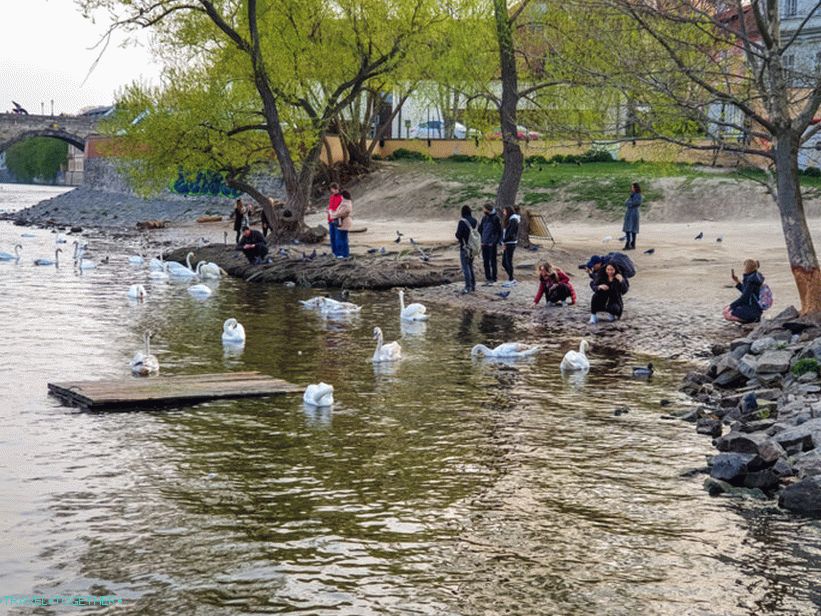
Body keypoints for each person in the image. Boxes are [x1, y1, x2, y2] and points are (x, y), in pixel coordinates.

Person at [723, 259, 764, 323]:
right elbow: (746, 292)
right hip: (756, 308)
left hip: (753, 309)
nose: (743, 269)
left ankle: (750, 320)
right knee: (729, 309)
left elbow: (744, 298)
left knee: (727, 313)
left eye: (744, 267)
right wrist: (737, 281)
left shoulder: (751, 280)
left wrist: (730, 306)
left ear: (747, 268)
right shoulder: (754, 277)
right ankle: (752, 319)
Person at [477, 203, 502, 285]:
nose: (483, 211)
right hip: (484, 243)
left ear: (487, 209)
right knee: (485, 261)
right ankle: (488, 278)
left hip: (491, 244)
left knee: (493, 261)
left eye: (484, 209)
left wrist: (494, 242)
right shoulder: (484, 218)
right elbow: (480, 230)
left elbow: (499, 232)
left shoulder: (496, 218)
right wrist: (481, 241)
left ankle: (494, 278)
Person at [455, 205, 478, 294]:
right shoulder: (475, 221)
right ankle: (473, 285)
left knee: (466, 267)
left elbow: (458, 235)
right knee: (470, 266)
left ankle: (467, 286)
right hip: (473, 247)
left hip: (464, 247)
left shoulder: (462, 221)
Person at [500, 206, 520, 286]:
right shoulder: (510, 220)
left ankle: (511, 279)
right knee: (504, 262)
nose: (503, 213)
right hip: (507, 242)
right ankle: (511, 278)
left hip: (510, 243)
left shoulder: (513, 220)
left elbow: (511, 233)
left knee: (508, 261)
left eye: (504, 211)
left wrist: (504, 241)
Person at [331, 190, 353, 259]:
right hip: (344, 222)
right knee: (343, 239)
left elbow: (339, 214)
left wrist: (332, 213)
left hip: (343, 223)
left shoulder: (345, 204)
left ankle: (344, 254)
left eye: (341, 196)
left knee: (342, 239)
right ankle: (344, 254)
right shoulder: (347, 203)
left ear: (343, 196)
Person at [622, 182, 642, 250]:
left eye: (633, 187)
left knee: (633, 229)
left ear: (636, 188)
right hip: (629, 213)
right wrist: (630, 203)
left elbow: (637, 203)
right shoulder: (631, 195)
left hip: (634, 214)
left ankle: (632, 244)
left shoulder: (639, 195)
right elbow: (626, 202)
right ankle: (628, 243)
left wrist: (629, 203)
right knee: (628, 229)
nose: (631, 188)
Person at [327, 183, 343, 256]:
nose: (333, 190)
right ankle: (334, 252)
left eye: (334, 189)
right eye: (332, 189)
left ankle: (338, 253)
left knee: (338, 237)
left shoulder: (341, 197)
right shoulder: (331, 197)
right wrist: (329, 210)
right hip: (330, 219)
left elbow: (342, 208)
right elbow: (330, 206)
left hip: (337, 219)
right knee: (332, 237)